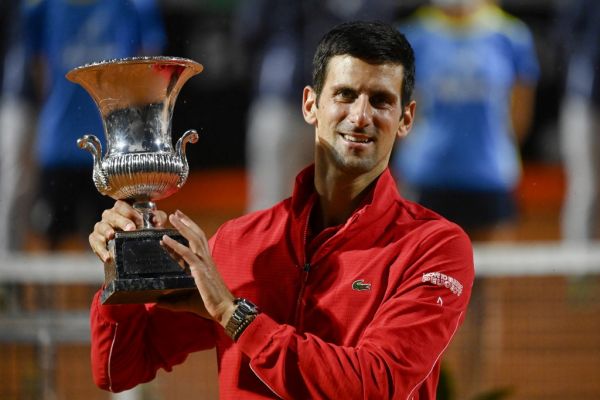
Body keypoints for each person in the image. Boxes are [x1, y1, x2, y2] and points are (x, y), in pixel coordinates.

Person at [88, 21, 474, 398]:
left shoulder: (434, 247)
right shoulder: (239, 244)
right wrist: (120, 269)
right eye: (344, 94)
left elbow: (374, 386)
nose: (360, 116)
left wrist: (233, 314)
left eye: (381, 100)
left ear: (405, 118)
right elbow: (119, 368)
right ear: (310, 104)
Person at [22, 0, 166, 250]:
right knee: (51, 249)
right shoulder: (43, 7)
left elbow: (150, 68)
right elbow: (37, 66)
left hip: (117, 156)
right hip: (60, 148)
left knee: (115, 246)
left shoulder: (134, 5)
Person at [393, 0, 540, 241]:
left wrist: (499, 152)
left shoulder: (512, 35)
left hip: (490, 181)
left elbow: (520, 114)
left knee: (489, 274)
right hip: (427, 178)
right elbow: (400, 112)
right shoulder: (412, 35)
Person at [556, 0, 600, 241]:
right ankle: (578, 270)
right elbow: (566, 38)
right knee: (584, 188)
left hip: (584, 98)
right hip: (584, 102)